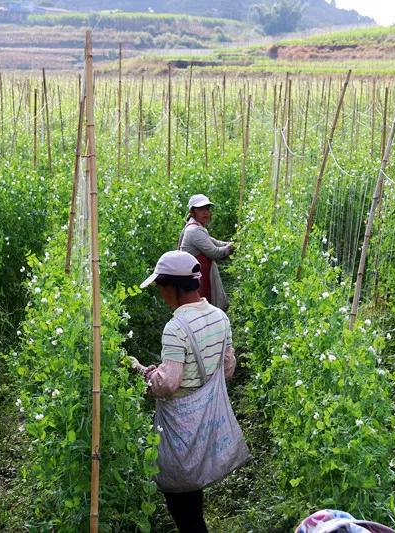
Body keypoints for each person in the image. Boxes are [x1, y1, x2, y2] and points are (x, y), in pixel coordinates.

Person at [131, 251, 247, 532]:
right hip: (207, 415)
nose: (160, 293)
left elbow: (168, 384)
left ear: (173, 287)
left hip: (181, 421)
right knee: (194, 477)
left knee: (180, 498)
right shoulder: (220, 317)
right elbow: (228, 368)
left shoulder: (175, 328)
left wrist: (144, 372)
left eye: (161, 286)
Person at [177, 194, 234, 310]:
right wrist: (229, 249)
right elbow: (215, 252)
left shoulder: (197, 227)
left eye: (207, 209)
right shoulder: (194, 231)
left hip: (197, 278)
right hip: (195, 281)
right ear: (192, 212)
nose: (205, 212)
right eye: (201, 209)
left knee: (200, 309)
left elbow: (214, 241)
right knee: (199, 308)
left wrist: (230, 244)